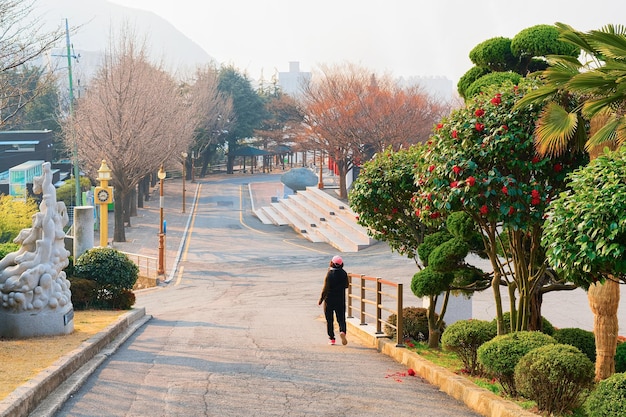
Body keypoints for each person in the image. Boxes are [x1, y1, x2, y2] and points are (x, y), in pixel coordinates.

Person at [318, 255, 349, 345]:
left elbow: (325, 288)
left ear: (332, 263)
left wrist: (321, 299)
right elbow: (347, 285)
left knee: (329, 320)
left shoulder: (329, 274)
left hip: (329, 300)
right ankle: (342, 331)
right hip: (340, 299)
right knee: (341, 318)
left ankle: (332, 338)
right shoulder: (344, 273)